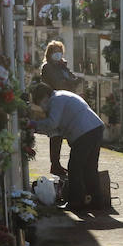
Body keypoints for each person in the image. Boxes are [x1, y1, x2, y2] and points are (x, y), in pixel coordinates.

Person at [29, 81, 104, 212]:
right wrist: (37, 129)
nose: (41, 106)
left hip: (85, 131)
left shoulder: (55, 100)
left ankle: (76, 202)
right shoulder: (61, 96)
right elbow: (55, 130)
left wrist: (33, 124)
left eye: (39, 101)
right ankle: (96, 201)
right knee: (90, 168)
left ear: (45, 96)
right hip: (94, 128)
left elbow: (52, 123)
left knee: (75, 167)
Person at [38, 41, 81, 176]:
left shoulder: (62, 66)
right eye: (55, 51)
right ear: (49, 53)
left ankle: (58, 164)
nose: (58, 54)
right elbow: (58, 82)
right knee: (55, 134)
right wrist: (69, 82)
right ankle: (54, 164)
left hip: (65, 102)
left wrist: (67, 73)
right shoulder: (48, 67)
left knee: (61, 134)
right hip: (54, 102)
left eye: (60, 51)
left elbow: (74, 79)